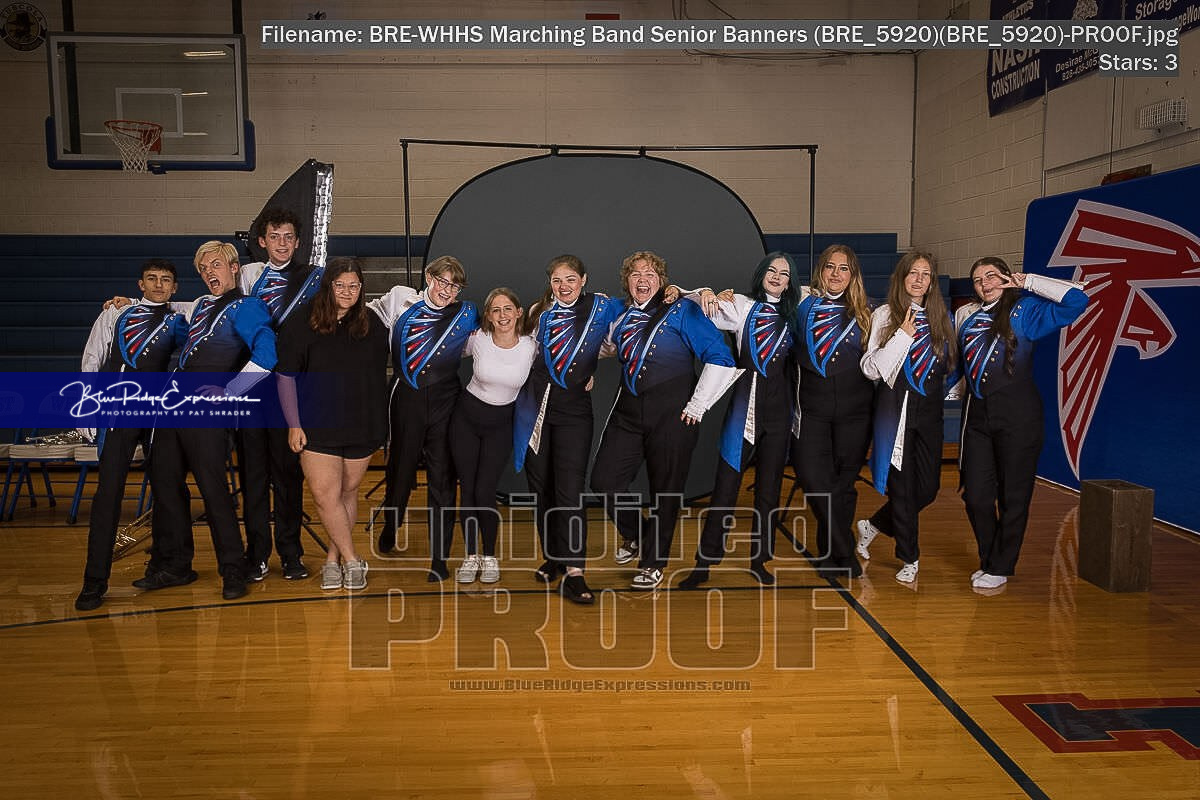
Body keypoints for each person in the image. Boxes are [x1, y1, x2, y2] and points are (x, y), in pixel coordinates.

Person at [134, 241, 277, 601]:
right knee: (166, 484)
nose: (209, 272)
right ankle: (176, 565)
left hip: (207, 411)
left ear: (233, 268)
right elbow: (176, 324)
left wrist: (231, 391)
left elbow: (267, 353)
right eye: (202, 268)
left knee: (214, 490)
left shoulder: (247, 306)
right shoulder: (200, 307)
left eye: (215, 264)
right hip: (172, 407)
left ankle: (233, 569)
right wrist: (129, 303)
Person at [591, 251, 740, 591]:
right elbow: (601, 346)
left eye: (650, 274)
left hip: (674, 413)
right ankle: (639, 534)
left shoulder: (684, 309)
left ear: (661, 281)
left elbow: (721, 357)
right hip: (628, 412)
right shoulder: (620, 314)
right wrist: (583, 371)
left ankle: (653, 563)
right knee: (604, 481)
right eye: (635, 274)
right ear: (627, 281)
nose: (642, 279)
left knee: (666, 491)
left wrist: (698, 405)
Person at [955, 256, 1087, 590]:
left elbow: (1076, 301)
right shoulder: (968, 319)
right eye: (977, 280)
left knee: (1013, 496)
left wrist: (1027, 281)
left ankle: (1000, 565)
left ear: (1006, 277)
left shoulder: (1024, 311)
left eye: (991, 276)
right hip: (978, 417)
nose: (984, 284)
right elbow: (960, 371)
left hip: (1019, 417)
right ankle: (990, 558)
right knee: (976, 496)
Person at [677, 252, 800, 589]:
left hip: (780, 410)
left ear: (790, 281)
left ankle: (760, 560)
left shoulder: (796, 311)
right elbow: (699, 306)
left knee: (769, 490)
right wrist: (703, 292)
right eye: (771, 270)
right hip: (745, 405)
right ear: (761, 274)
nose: (776, 276)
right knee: (726, 486)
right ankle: (704, 563)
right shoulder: (743, 306)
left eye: (784, 273)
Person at [513, 254, 627, 605]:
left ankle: (575, 571)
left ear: (584, 280)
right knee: (541, 487)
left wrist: (584, 369)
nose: (564, 287)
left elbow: (630, 320)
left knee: (570, 490)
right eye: (557, 280)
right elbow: (523, 354)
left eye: (570, 279)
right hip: (535, 405)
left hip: (574, 410)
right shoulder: (539, 312)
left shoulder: (601, 307)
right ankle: (554, 557)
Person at [74, 259, 181, 611]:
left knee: (166, 491)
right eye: (152, 278)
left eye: (166, 280)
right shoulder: (114, 313)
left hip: (155, 416)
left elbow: (208, 306)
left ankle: (165, 566)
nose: (159, 285)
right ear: (140, 283)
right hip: (117, 412)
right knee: (108, 496)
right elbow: (92, 359)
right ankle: (94, 581)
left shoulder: (179, 318)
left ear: (174, 287)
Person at [276, 258, 388, 591]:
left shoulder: (372, 325)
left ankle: (332, 559)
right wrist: (294, 424)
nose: (347, 292)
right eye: (340, 285)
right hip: (316, 424)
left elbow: (375, 380)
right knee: (325, 495)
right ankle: (353, 560)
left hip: (360, 423)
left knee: (347, 493)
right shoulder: (302, 322)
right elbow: (285, 378)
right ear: (328, 286)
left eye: (354, 286)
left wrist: (380, 426)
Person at [368, 256, 478, 582]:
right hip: (406, 397)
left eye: (454, 286)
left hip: (446, 400)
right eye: (443, 281)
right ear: (429, 277)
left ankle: (439, 558)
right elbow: (365, 318)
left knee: (443, 478)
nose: (447, 290)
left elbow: (495, 338)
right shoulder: (400, 298)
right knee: (399, 471)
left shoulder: (466, 314)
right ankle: (391, 524)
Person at [856, 251, 957, 584]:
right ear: (901, 278)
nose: (918, 279)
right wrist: (902, 334)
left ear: (931, 282)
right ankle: (909, 557)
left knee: (927, 490)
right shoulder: (885, 314)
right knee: (902, 490)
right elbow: (870, 369)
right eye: (913, 273)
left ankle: (873, 525)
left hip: (929, 413)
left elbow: (950, 367)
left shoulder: (943, 317)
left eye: (925, 274)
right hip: (894, 411)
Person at [236, 207, 324, 583]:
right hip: (253, 387)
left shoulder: (313, 279)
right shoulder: (247, 277)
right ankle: (256, 554)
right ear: (262, 241)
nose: (282, 244)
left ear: (298, 241)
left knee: (288, 476)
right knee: (253, 475)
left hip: (292, 388)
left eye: (288, 237)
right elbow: (213, 306)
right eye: (274, 237)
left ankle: (290, 553)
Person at [790, 244, 874, 578]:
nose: (836, 274)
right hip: (811, 408)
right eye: (830, 267)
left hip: (857, 411)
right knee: (812, 478)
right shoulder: (800, 304)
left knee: (843, 483)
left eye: (843, 268)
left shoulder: (869, 312)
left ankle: (830, 554)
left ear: (853, 275)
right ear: (820, 271)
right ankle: (843, 548)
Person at [450, 287, 536, 584]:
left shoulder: (531, 346)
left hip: (501, 425)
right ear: (487, 315)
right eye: (496, 310)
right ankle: (470, 555)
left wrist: (587, 377)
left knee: (485, 490)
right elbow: (442, 350)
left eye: (508, 308)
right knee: (468, 490)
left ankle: (489, 556)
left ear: (519, 312)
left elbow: (559, 363)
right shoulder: (478, 340)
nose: (502, 315)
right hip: (465, 420)